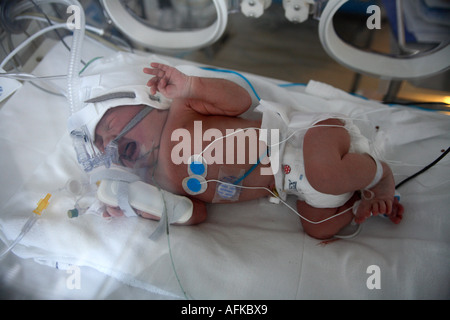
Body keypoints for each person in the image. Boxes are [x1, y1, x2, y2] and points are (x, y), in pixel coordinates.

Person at [93, 63, 404, 240]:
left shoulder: (181, 110)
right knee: (316, 228)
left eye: (108, 125)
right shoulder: (159, 183)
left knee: (324, 175)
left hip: (309, 139)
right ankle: (357, 202)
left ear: (142, 100)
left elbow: (239, 101)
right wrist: (141, 206)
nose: (108, 142)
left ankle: (380, 175)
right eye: (100, 144)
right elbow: (196, 214)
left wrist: (193, 86)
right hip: (294, 188)